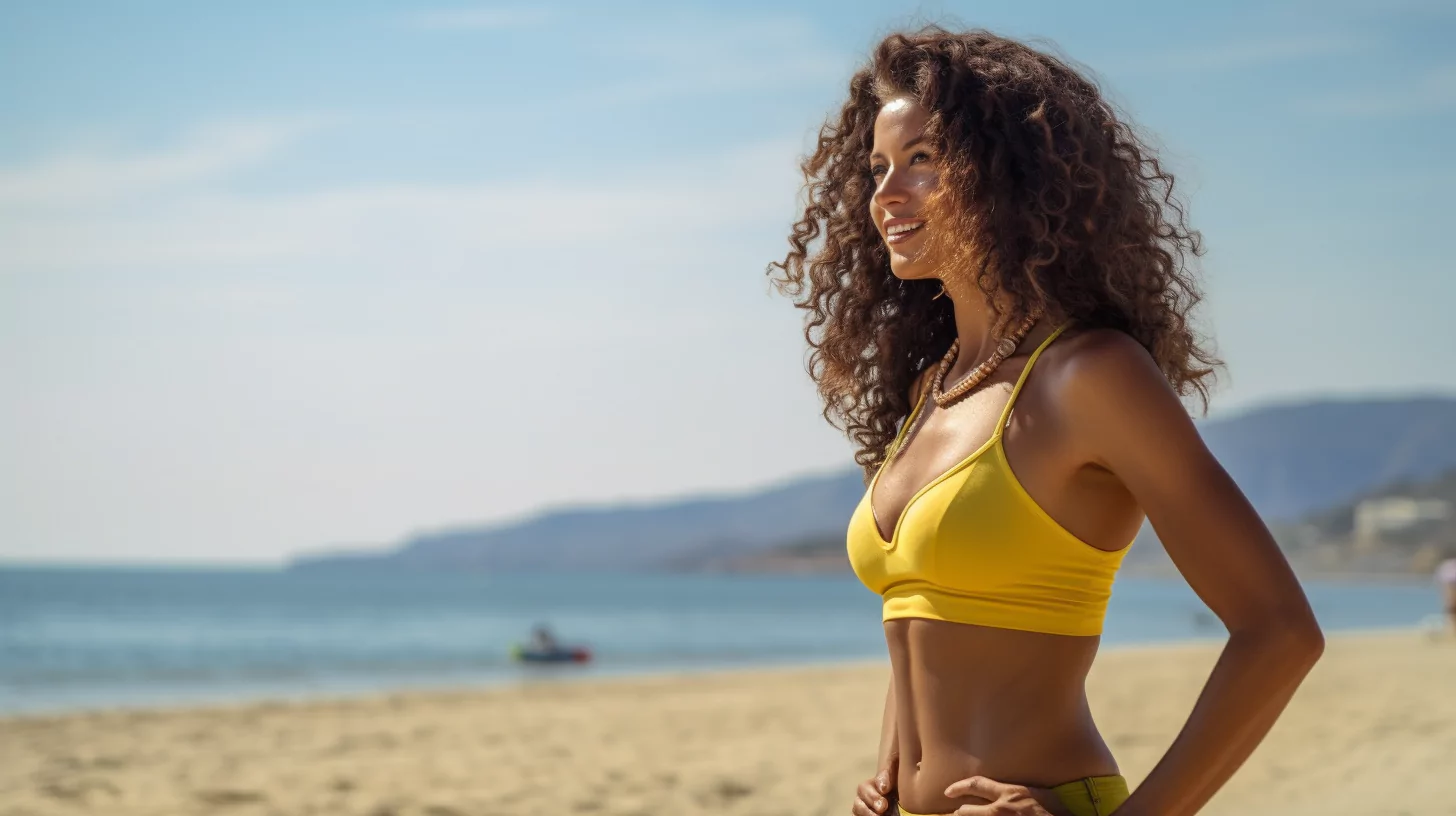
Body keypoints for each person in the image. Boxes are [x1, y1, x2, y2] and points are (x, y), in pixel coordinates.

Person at [769, 27, 1324, 816]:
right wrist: (891, 774)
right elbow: (926, 621)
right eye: (878, 168)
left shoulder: (1089, 376)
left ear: (1007, 174)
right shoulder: (931, 388)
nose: (888, 194)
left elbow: (1281, 633)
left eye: (923, 160)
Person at [1437, 551, 1456, 637]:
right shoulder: (1447, 566)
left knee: (1451, 612)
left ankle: (1452, 631)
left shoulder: (1446, 567)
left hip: (1450, 591)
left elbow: (1445, 584)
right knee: (1451, 612)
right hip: (1450, 591)